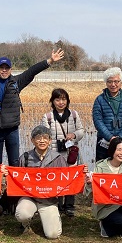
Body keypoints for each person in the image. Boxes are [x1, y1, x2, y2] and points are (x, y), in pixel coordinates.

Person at [85, 137, 122, 239]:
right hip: (105, 207)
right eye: (119, 150)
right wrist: (90, 183)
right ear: (112, 150)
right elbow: (89, 191)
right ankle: (107, 225)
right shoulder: (100, 167)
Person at [14, 125, 67, 239]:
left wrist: (81, 172)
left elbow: (66, 178)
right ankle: (25, 223)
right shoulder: (25, 157)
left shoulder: (58, 158)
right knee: (22, 214)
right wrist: (6, 172)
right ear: (32, 140)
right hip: (30, 197)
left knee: (53, 235)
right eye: (38, 138)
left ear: (50, 140)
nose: (42, 140)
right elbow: (17, 177)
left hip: (49, 200)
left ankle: (51, 216)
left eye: (45, 138)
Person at [41, 88, 85, 217]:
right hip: (54, 154)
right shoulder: (48, 117)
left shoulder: (74, 115)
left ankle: (70, 206)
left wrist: (74, 135)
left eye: (64, 99)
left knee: (71, 178)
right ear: (53, 101)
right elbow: (45, 135)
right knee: (57, 180)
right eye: (58, 99)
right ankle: (58, 205)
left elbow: (81, 130)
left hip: (71, 153)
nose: (61, 102)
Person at [92, 67, 122, 161]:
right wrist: (110, 137)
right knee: (103, 170)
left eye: (116, 81)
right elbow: (97, 121)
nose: (113, 84)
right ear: (106, 82)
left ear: (121, 82)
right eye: (109, 81)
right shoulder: (99, 100)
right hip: (104, 142)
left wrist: (120, 138)